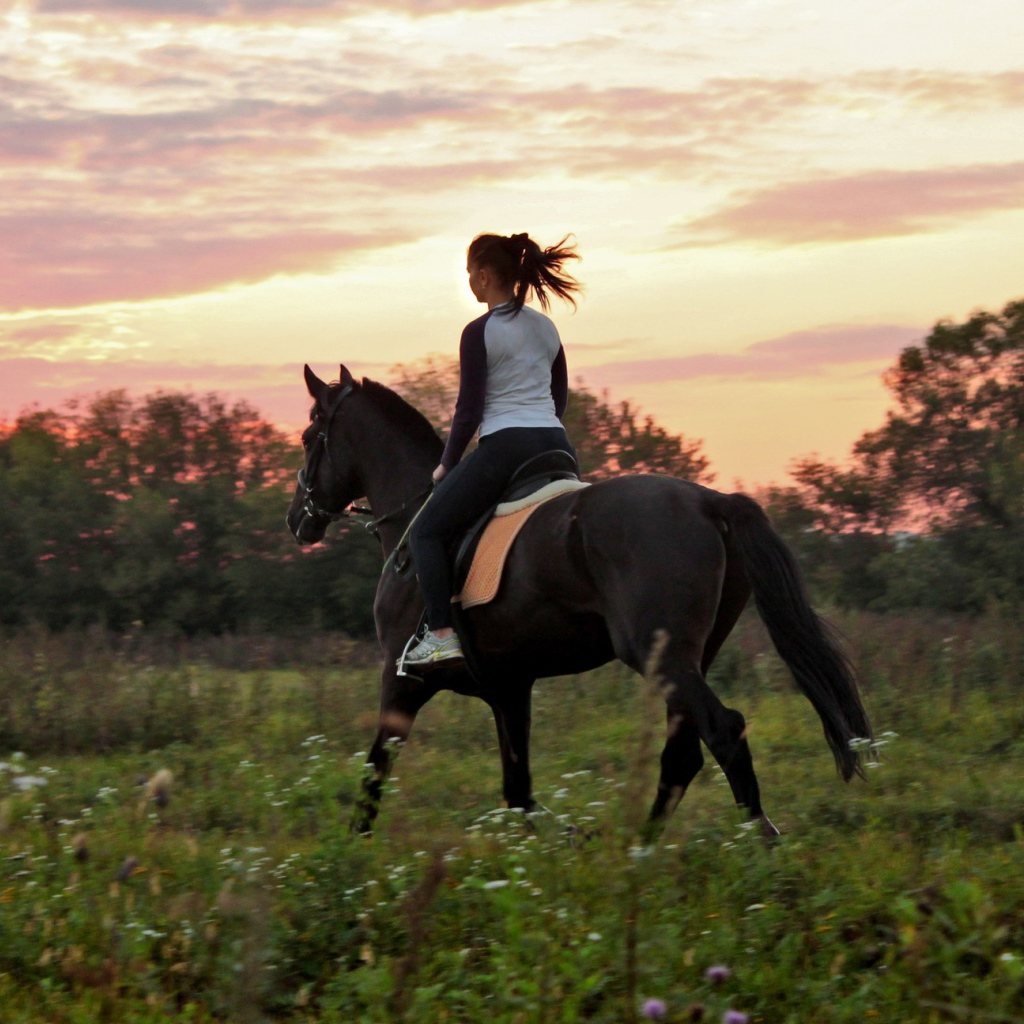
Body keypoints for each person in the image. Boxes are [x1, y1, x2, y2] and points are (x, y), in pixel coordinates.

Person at [402, 232, 582, 669]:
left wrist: (447, 464)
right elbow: (559, 397)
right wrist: (540, 422)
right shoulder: (547, 326)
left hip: (507, 446)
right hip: (558, 446)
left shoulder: (479, 332)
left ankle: (442, 635)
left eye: (469, 274)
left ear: (483, 275)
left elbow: (468, 409)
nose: (469, 282)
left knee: (426, 531)